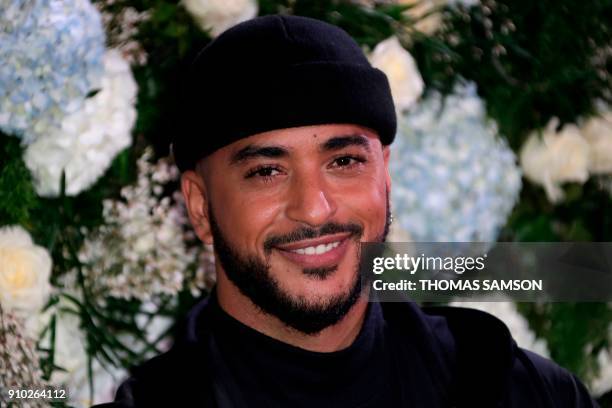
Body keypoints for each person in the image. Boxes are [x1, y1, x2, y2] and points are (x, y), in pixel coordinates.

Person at [95, 14, 598, 408]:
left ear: (385, 174)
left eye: (344, 161)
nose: (314, 209)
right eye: (267, 171)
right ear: (200, 208)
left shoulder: (520, 390)